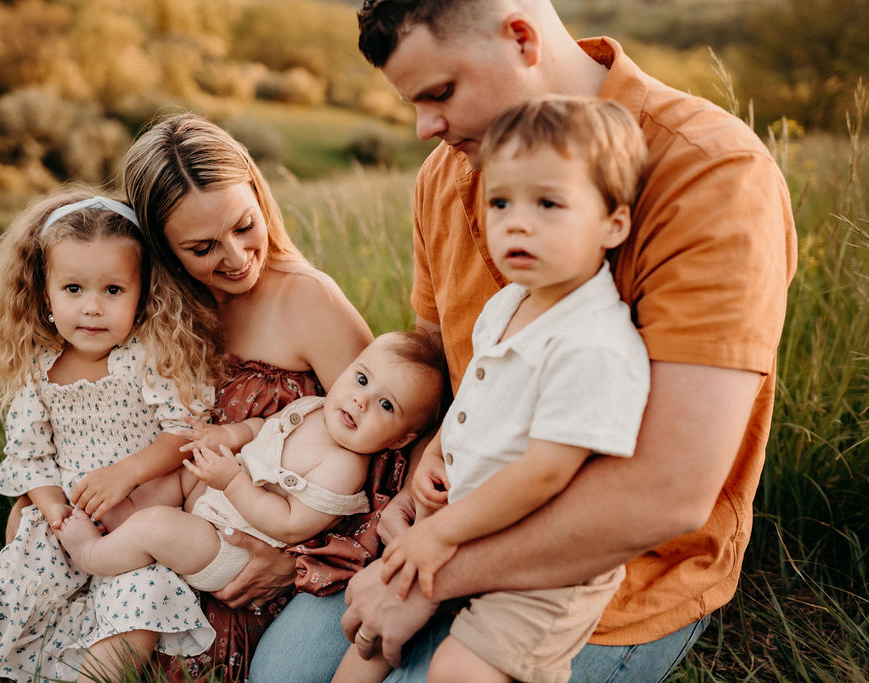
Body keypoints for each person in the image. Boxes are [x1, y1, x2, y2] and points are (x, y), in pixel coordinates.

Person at [249, 1, 797, 681]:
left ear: (520, 37)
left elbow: (668, 492)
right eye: (412, 102)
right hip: (453, 525)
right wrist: (419, 484)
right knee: (283, 673)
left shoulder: (711, 174)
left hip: (601, 580)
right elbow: (438, 369)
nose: (424, 127)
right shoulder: (445, 177)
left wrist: (428, 573)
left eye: (441, 93)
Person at [333, 96, 651, 683]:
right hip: (465, 518)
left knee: (459, 671)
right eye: (501, 201)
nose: (517, 223)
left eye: (549, 204)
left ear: (614, 223)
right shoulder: (506, 304)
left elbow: (545, 473)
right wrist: (438, 456)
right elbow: (475, 402)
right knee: (366, 634)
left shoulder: (593, 344)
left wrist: (442, 537)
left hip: (544, 562)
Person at [120, 111, 412, 682]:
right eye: (203, 247)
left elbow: (385, 459)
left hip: (278, 548)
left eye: (244, 225)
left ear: (259, 197)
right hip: (181, 528)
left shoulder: (307, 301)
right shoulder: (162, 307)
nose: (235, 256)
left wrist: (294, 564)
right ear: (164, 249)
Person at [0, 189, 221, 683]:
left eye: (113, 291)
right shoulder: (41, 374)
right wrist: (52, 505)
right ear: (45, 295)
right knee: (10, 583)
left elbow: (184, 432)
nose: (93, 309)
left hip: (136, 529)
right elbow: (28, 456)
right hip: (67, 521)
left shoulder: (148, 360)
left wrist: (126, 474)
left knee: (140, 611)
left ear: (143, 293)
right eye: (74, 289)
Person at [58, 331, 446, 599]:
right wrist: (227, 437)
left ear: (400, 440)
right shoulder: (314, 408)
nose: (361, 400)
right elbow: (264, 427)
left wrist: (231, 482)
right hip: (216, 500)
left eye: (385, 405)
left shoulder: (345, 468)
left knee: (157, 526)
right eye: (361, 379)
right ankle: (121, 522)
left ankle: (92, 556)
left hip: (230, 547)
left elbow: (290, 523)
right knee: (174, 475)